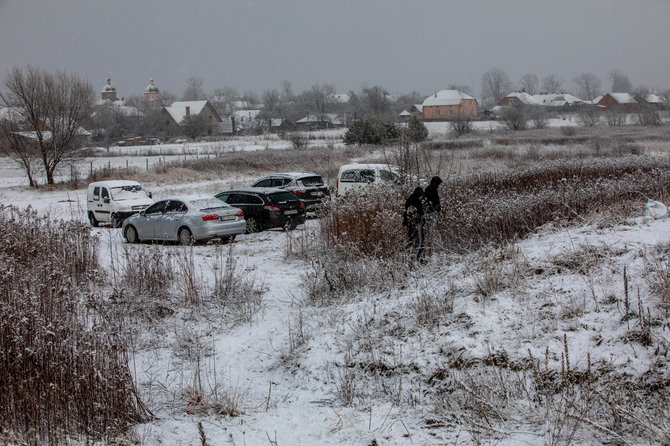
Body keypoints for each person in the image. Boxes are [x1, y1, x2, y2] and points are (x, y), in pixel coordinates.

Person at [403, 187, 425, 262]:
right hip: (417, 224)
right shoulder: (417, 202)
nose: (422, 198)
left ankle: (411, 258)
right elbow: (420, 214)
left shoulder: (409, 200)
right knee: (420, 242)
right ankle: (418, 259)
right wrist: (421, 222)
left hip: (410, 225)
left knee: (412, 241)